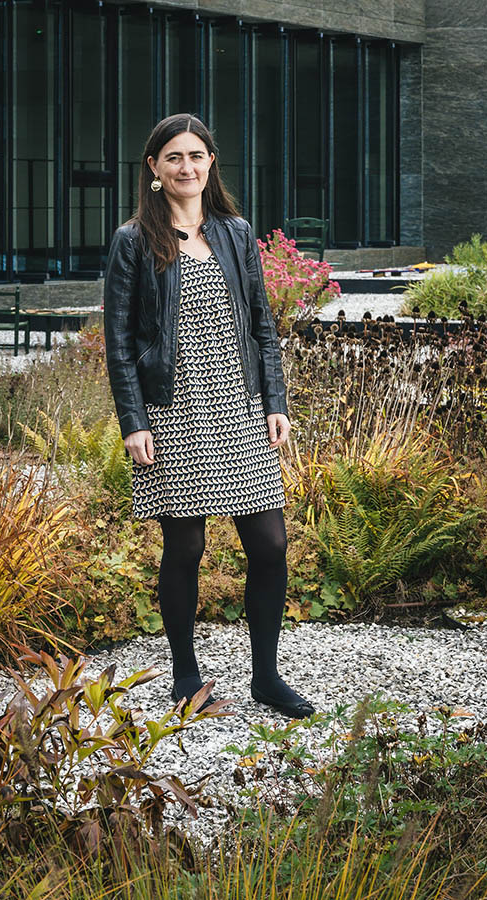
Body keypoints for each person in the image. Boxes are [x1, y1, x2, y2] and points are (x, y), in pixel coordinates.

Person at [103, 113, 315, 720]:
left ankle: (267, 677)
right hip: (172, 412)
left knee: (270, 544)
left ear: (210, 163)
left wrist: (274, 401)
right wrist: (133, 420)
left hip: (238, 406)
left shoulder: (235, 232)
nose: (186, 167)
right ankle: (186, 676)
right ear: (154, 169)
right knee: (186, 545)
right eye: (173, 158)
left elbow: (262, 325)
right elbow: (119, 342)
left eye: (196, 156)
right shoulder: (133, 241)